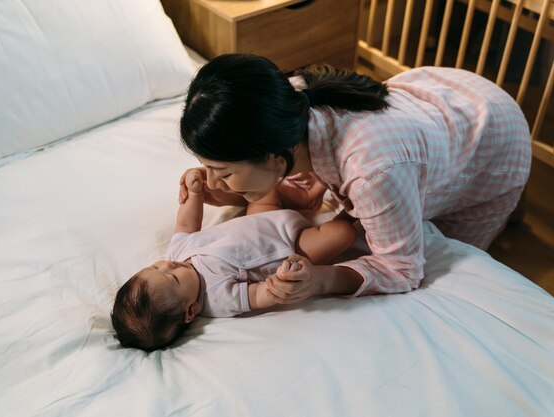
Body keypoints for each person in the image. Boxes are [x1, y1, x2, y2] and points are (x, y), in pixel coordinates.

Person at [178, 53, 532, 301]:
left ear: (273, 157)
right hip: (447, 91)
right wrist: (232, 190)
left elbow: (403, 269)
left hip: (493, 140)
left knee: (458, 251)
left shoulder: (374, 171)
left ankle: (514, 206)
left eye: (222, 171)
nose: (210, 182)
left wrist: (321, 281)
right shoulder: (286, 99)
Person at [111, 169, 356, 351]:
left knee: (262, 184)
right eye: (172, 277)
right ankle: (353, 209)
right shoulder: (216, 298)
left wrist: (195, 194)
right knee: (341, 235)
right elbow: (256, 296)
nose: (168, 264)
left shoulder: (176, 254)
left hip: (261, 216)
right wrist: (276, 287)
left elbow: (186, 224)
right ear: (191, 310)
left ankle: (308, 196)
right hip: (293, 244)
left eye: (155, 266)